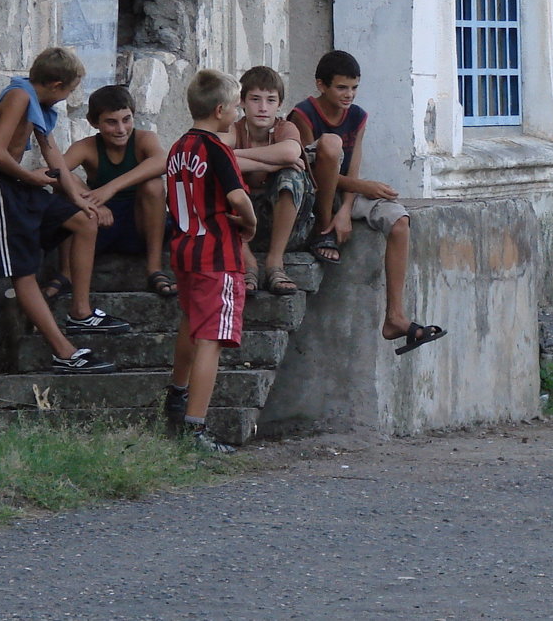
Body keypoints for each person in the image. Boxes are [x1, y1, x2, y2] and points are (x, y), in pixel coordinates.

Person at [0, 47, 128, 374]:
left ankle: (80, 313)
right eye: (69, 90)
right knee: (23, 269)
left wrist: (80, 200)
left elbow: (51, 152)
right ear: (55, 84)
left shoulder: (39, 103)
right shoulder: (18, 96)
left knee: (84, 221)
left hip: (14, 181)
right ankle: (64, 352)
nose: (68, 97)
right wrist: (32, 178)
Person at [288, 50, 446, 355]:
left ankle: (395, 317)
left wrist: (347, 209)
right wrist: (362, 187)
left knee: (399, 221)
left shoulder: (358, 116)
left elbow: (353, 166)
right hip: (312, 193)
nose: (349, 95)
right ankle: (323, 229)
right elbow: (312, 171)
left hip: (345, 191)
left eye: (354, 87)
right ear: (321, 85)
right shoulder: (303, 114)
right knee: (330, 151)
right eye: (341, 87)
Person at [163, 69, 256, 453]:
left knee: (190, 324)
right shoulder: (217, 149)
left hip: (185, 248)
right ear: (220, 111)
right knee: (210, 339)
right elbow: (237, 197)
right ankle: (195, 428)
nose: (239, 114)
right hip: (217, 254)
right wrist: (249, 224)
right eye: (236, 107)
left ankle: (177, 395)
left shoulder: (178, 147)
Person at [46, 84, 175, 298]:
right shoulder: (86, 147)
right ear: (94, 122)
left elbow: (163, 161)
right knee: (64, 189)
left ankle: (154, 268)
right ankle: (67, 272)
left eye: (126, 119)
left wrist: (110, 188)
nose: (121, 129)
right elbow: (51, 172)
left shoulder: (144, 139)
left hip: (140, 223)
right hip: (101, 223)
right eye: (111, 122)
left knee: (153, 184)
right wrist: (92, 200)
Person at [223, 66, 311, 295]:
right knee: (218, 178)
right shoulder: (234, 130)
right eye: (255, 99)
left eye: (271, 100)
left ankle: (275, 262)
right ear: (241, 101)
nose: (263, 108)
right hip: (241, 225)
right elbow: (215, 159)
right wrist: (267, 163)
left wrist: (234, 157)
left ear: (279, 104)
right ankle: (248, 261)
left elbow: (291, 154)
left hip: (282, 225)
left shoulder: (285, 127)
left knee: (290, 176)